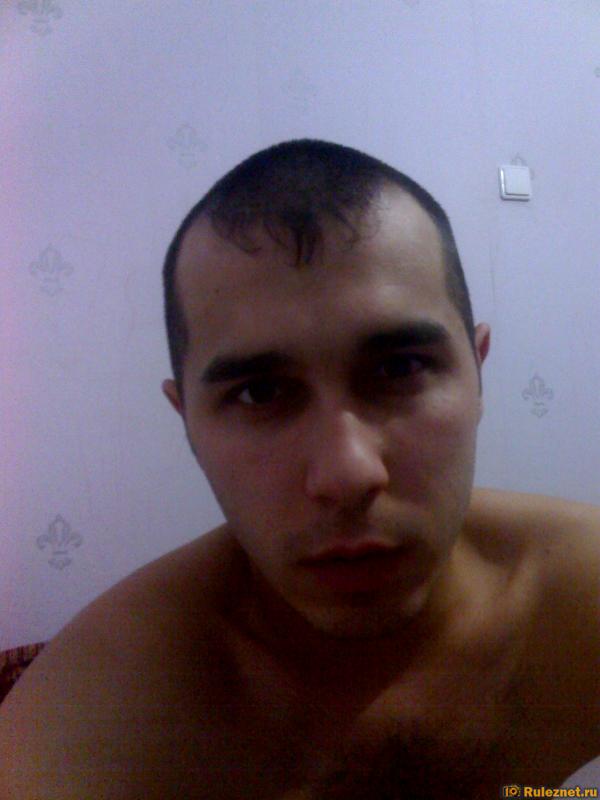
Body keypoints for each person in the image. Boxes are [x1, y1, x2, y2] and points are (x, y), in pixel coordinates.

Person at [0, 139, 598, 799]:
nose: (348, 474)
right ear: (186, 420)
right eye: (259, 393)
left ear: (477, 372)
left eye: (401, 368)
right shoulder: (100, 708)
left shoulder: (582, 599)